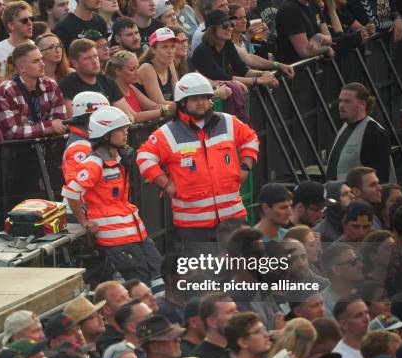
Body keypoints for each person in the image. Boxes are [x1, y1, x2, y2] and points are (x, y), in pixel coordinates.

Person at [136, 72, 258, 249]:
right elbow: (144, 157)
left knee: (241, 271)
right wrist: (166, 184)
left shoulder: (228, 122)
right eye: (194, 99)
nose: (201, 103)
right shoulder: (167, 133)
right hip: (193, 226)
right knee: (204, 275)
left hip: (233, 218)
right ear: (183, 103)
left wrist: (246, 166)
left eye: (204, 98)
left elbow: (250, 138)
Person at [63, 106, 162, 286]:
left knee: (159, 274)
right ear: (106, 134)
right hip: (116, 239)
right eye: (121, 130)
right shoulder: (93, 163)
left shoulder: (117, 160)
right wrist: (84, 221)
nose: (126, 133)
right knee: (142, 284)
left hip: (136, 233)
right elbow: (71, 192)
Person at [0, 42, 67, 139]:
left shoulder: (51, 84)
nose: (42, 64)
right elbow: (11, 132)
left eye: (41, 59)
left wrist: (53, 126)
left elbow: (60, 122)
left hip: (49, 147)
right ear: (22, 68)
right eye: (36, 61)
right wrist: (49, 126)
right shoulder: (6, 91)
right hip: (18, 150)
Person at [191, 10, 279, 91]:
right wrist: (258, 80)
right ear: (212, 29)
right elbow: (223, 77)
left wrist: (264, 74)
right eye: (225, 25)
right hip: (202, 95)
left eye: (232, 24)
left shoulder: (227, 44)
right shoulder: (202, 51)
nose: (230, 28)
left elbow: (243, 70)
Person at [328, 83, 394, 183]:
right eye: (340, 101)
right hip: (341, 194)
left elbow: (381, 177)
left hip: (358, 196)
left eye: (347, 101)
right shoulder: (345, 127)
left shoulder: (374, 132)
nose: (341, 105)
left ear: (362, 104)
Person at [59, 39, 136, 118]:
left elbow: (126, 116)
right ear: (75, 63)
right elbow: (73, 119)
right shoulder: (67, 85)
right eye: (88, 58)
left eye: (95, 56)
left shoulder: (108, 81)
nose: (94, 61)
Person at [105, 51, 171, 122]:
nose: (137, 73)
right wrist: (167, 111)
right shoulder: (113, 91)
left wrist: (173, 107)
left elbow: (153, 106)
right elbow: (135, 116)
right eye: (132, 70)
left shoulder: (131, 87)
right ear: (118, 71)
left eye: (137, 68)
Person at [190, 294, 237, 358]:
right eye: (230, 312)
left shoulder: (238, 347)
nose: (237, 315)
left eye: (236, 310)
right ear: (212, 322)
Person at [0, 2, 33, 76]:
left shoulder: (38, 47)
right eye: (24, 21)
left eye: (31, 19)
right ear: (11, 25)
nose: (30, 23)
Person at [332, 294, 370, 358]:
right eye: (358, 315)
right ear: (344, 324)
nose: (366, 318)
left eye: (366, 312)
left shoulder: (376, 341)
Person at [137, 27, 178, 104]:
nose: (170, 51)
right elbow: (160, 103)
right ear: (153, 49)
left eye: (173, 46)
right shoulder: (146, 68)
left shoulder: (170, 63)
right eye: (165, 47)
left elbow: (178, 94)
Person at [320, 243, 363, 316]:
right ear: (336, 270)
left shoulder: (364, 292)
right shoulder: (324, 306)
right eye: (353, 262)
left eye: (358, 259)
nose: (360, 265)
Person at [94, 281, 131, 355]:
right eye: (122, 299)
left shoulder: (136, 328)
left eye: (128, 296)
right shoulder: (110, 343)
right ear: (107, 309)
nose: (130, 301)